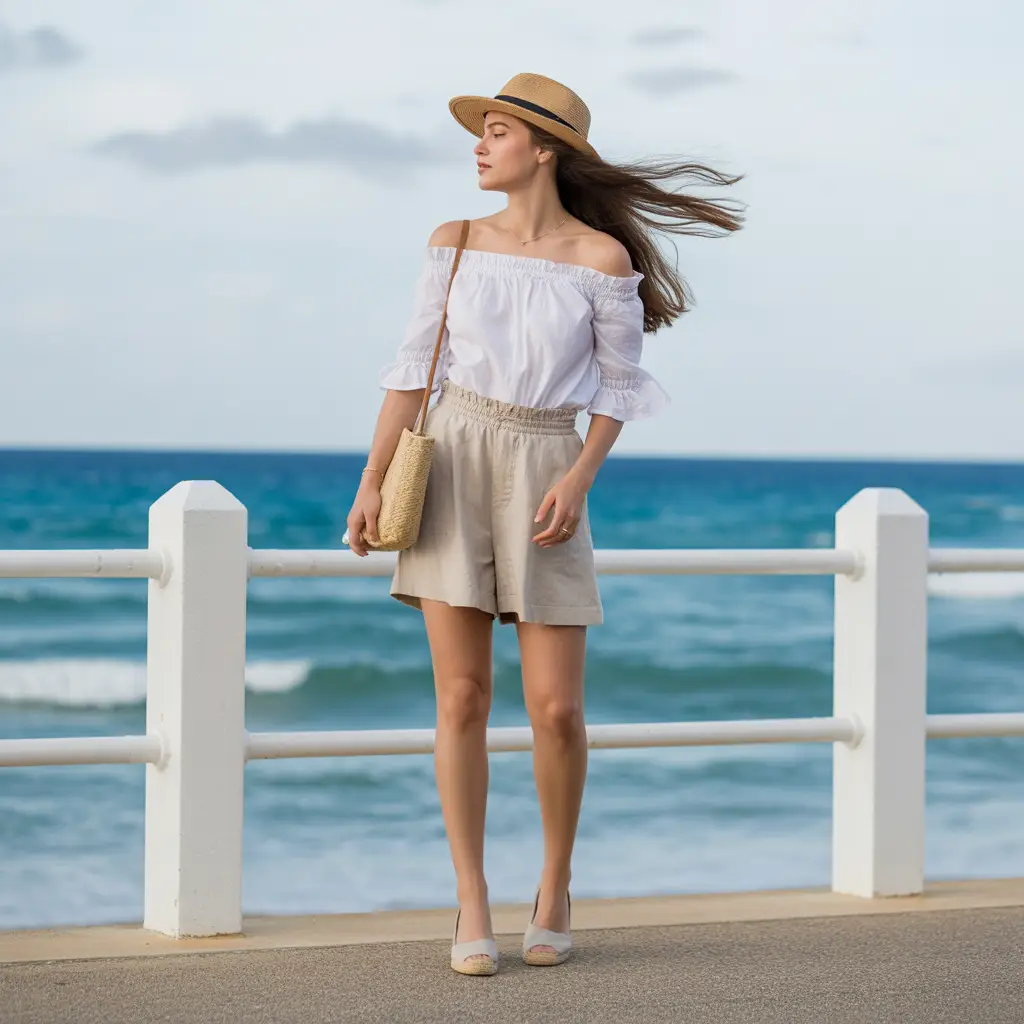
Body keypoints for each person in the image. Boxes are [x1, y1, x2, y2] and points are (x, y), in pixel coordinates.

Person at [345, 72, 743, 976]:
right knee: (462, 698)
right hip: (449, 452)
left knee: (557, 709)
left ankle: (555, 885)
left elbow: (616, 388)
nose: (479, 147)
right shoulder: (453, 242)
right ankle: (473, 899)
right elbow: (413, 370)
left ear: (545, 148)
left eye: (496, 133)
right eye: (479, 133)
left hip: (544, 460)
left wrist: (582, 476)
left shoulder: (600, 260)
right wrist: (371, 482)